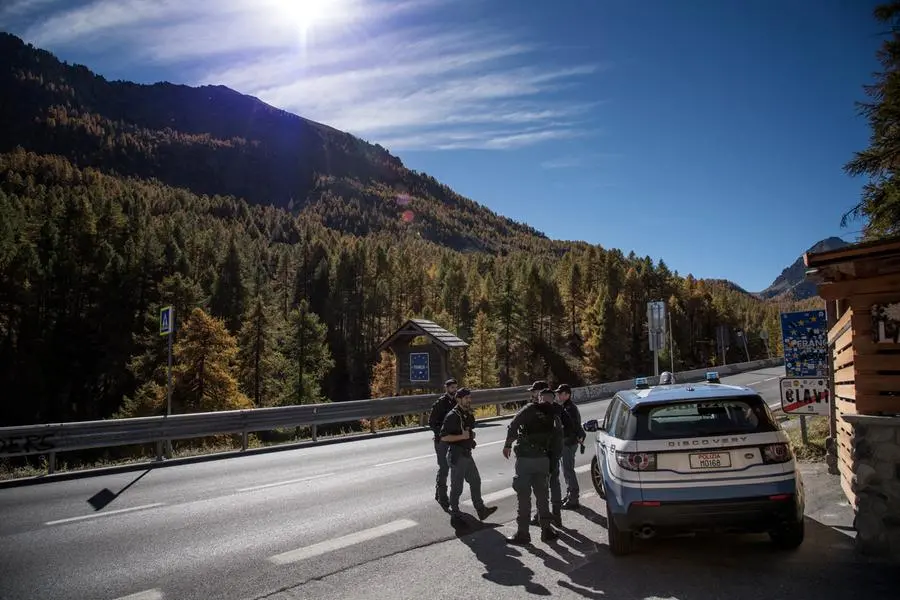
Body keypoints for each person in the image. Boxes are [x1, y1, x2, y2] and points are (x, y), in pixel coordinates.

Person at [502, 387, 563, 545]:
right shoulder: (554, 414)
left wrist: (508, 444)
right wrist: (553, 462)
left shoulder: (529, 409)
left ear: (540, 397)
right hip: (543, 459)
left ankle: (523, 533)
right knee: (543, 496)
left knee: (523, 496)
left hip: (526, 460)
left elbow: (513, 425)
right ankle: (546, 531)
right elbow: (558, 440)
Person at [439, 388, 498, 522]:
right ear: (458, 399)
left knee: (475, 481)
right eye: (466, 398)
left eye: (470, 398)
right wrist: (463, 436)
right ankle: (455, 513)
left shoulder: (467, 413)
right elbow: (444, 437)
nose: (469, 400)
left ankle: (481, 509)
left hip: (466, 454)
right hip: (456, 455)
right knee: (457, 487)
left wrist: (471, 436)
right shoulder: (452, 416)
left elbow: (469, 429)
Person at [530, 387, 568, 527]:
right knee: (554, 484)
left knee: (542, 488)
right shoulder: (558, 411)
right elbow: (570, 426)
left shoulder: (539, 413)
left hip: (544, 456)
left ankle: (542, 518)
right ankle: (556, 517)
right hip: (554, 454)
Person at [428, 378, 458, 510]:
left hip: (455, 440)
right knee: (444, 467)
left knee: (454, 467)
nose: (454, 390)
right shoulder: (440, 403)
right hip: (441, 441)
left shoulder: (457, 402)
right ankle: (442, 496)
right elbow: (432, 421)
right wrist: (440, 434)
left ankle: (439, 492)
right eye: (452, 388)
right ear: (447, 388)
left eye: (455, 387)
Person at [555, 384, 585, 510]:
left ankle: (573, 499)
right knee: (566, 470)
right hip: (568, 442)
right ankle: (570, 495)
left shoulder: (569, 409)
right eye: (558, 393)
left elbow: (571, 428)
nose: (558, 395)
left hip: (569, 443)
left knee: (568, 470)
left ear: (567, 395)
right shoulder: (567, 407)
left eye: (561, 393)